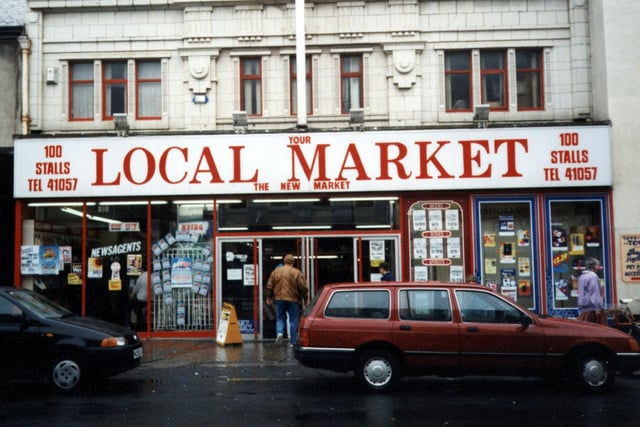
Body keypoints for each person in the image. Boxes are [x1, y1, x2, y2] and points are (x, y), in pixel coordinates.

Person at [265, 254, 309, 345]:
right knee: (293, 320)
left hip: (279, 299)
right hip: (293, 300)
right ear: (293, 262)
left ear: (284, 261)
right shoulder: (296, 272)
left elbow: (269, 285)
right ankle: (293, 341)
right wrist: (305, 298)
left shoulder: (276, 272)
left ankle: (280, 333)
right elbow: (303, 287)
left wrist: (269, 296)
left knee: (280, 318)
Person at [577, 258, 606, 324]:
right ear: (594, 266)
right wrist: (598, 307)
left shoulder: (582, 276)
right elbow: (594, 292)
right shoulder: (593, 276)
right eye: (597, 265)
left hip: (583, 308)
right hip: (592, 309)